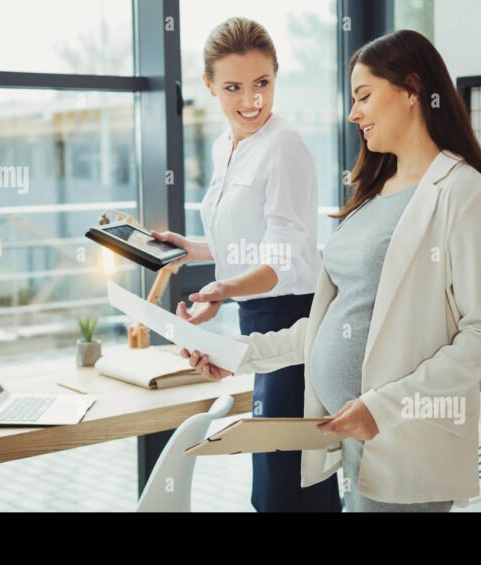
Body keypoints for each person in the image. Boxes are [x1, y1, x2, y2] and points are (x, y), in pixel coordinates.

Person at [181, 29, 481, 512]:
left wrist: (381, 409)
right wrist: (238, 354)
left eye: (364, 96)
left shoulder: (464, 195)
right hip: (350, 442)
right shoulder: (374, 194)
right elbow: (329, 324)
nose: (354, 113)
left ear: (412, 90)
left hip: (404, 441)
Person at [151, 17, 341, 513]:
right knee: (274, 481)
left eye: (262, 83)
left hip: (293, 321)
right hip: (258, 317)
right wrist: (191, 249)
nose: (251, 99)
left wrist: (224, 289)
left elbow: (282, 252)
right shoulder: (226, 147)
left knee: (290, 485)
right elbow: (248, 237)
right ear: (209, 87)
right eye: (233, 86)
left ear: (276, 77)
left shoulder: (285, 146)